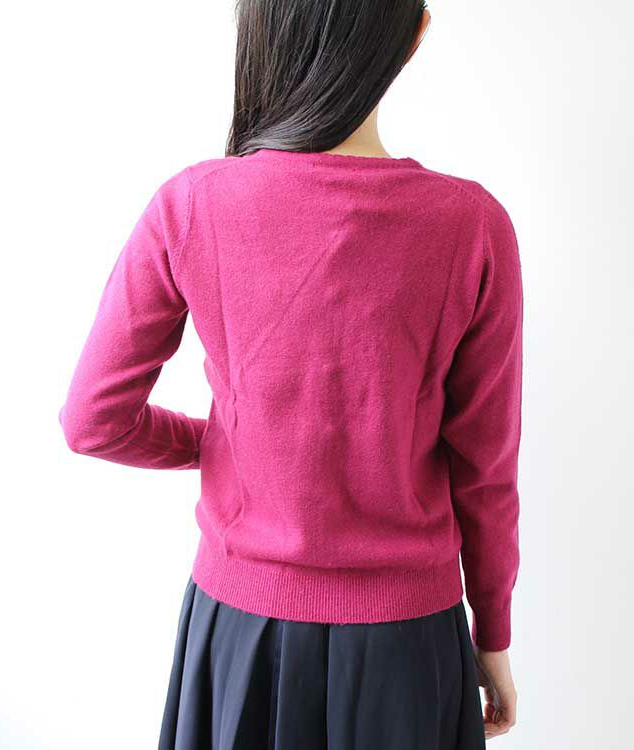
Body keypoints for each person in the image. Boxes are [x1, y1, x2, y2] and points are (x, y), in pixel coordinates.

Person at [58, 1, 523, 747]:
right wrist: (492, 633)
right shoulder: (473, 225)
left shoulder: (191, 204)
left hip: (239, 632)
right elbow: (485, 469)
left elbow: (93, 421)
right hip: (408, 645)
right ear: (414, 34)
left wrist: (225, 442)